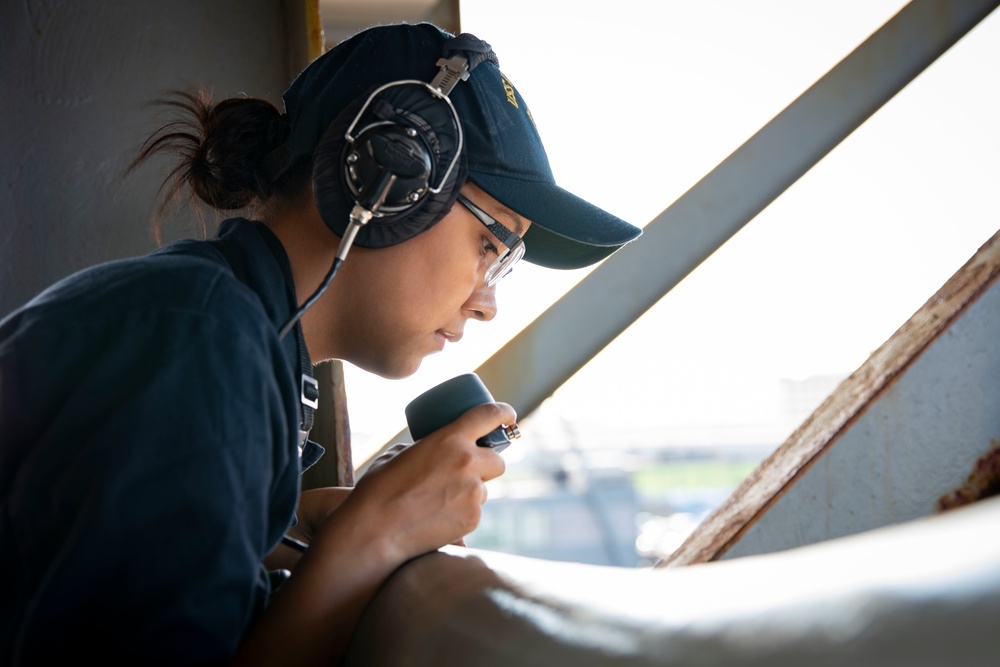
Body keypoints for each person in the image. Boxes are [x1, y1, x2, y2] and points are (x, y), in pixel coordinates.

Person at [0, 22, 641, 666]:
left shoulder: (229, 335)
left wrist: (304, 522)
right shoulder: (201, 347)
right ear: (386, 177)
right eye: (491, 247)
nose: (487, 303)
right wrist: (376, 536)